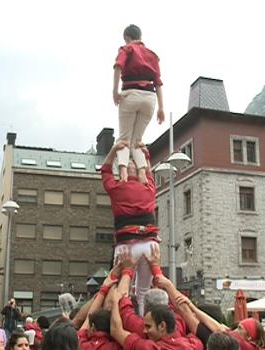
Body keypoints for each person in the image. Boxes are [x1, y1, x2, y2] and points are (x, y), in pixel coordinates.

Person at [102, 141, 160, 316]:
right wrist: (145, 155)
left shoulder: (116, 187)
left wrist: (113, 150)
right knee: (143, 293)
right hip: (150, 245)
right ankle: (144, 323)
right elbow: (148, 172)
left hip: (126, 244)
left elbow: (105, 170)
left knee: (120, 290)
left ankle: (118, 325)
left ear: (123, 171)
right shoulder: (149, 188)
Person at [112, 24, 165, 184]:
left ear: (127, 38)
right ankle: (142, 172)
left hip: (131, 93)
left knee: (124, 139)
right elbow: (158, 83)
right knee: (137, 140)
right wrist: (161, 108)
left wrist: (115, 91)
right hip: (150, 98)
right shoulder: (153, 55)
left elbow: (117, 66)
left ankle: (123, 171)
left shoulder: (126, 49)